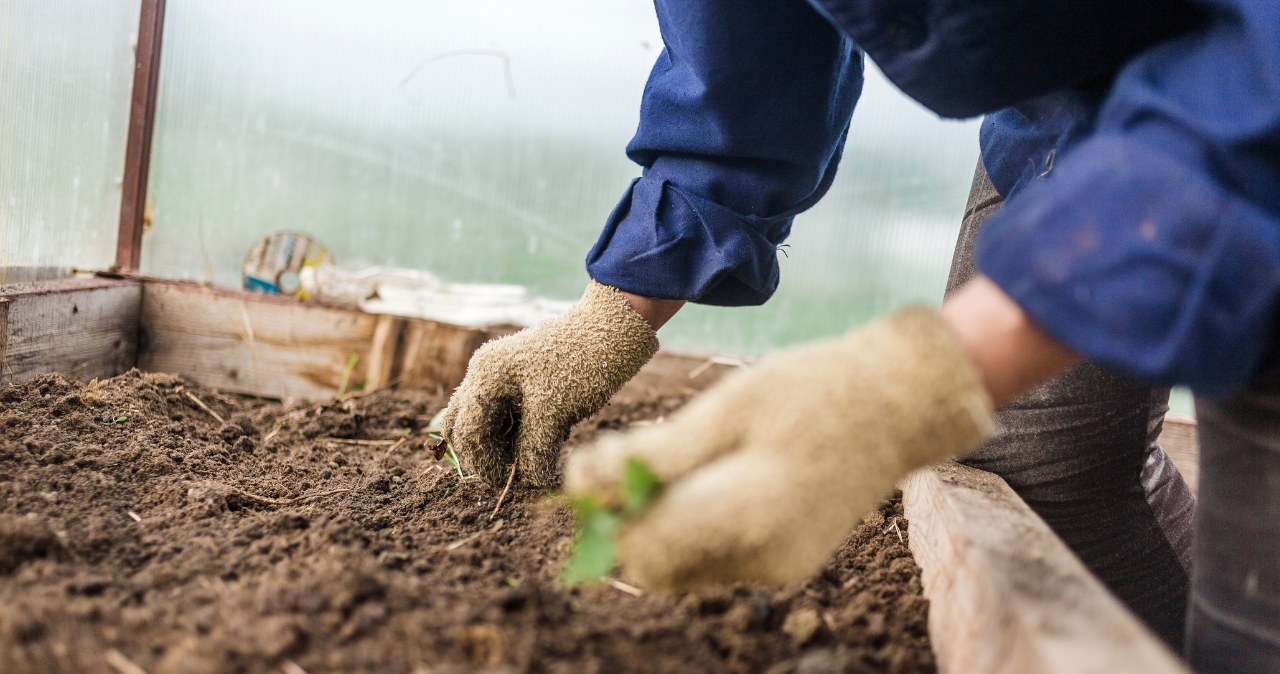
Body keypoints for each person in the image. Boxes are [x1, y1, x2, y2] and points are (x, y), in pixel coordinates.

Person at [441, 1, 1280, 670]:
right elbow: (743, 50)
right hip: (1070, 111)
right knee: (1037, 463)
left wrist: (915, 380)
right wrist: (609, 318)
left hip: (1243, 95)